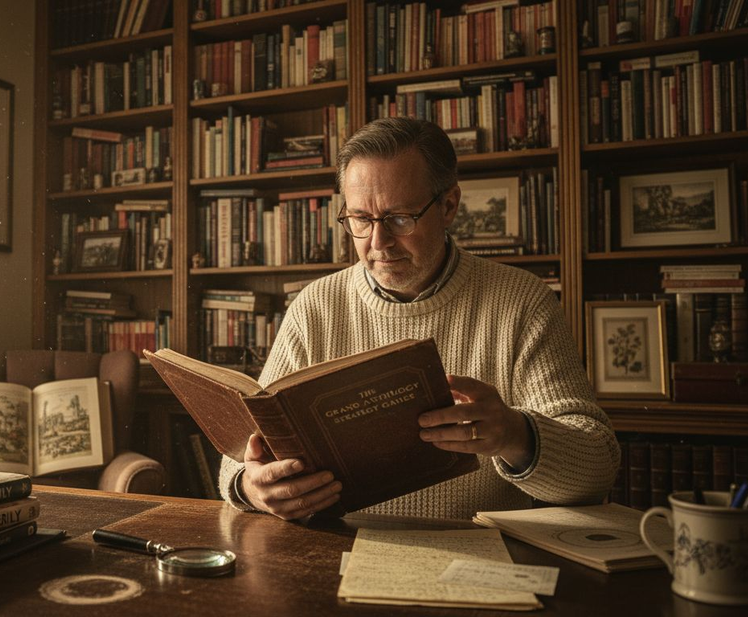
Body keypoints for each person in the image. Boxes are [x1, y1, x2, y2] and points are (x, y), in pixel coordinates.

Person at [218, 117, 620, 521]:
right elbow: (239, 455)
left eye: (400, 218)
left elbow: (599, 466)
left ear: (448, 206)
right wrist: (250, 486)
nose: (378, 243)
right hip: (334, 551)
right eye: (360, 219)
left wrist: (516, 435)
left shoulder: (520, 301)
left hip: (474, 556)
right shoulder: (316, 306)